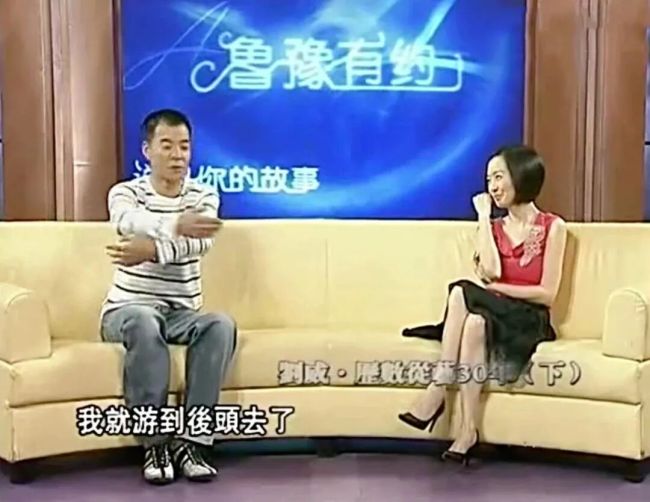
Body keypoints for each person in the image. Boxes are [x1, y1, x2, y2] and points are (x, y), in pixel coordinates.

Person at [398, 145, 567, 465]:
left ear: (521, 175)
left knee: (461, 291)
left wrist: (498, 289)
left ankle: (439, 385)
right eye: (489, 180)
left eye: (499, 177)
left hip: (528, 319)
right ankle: (467, 431)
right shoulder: (492, 228)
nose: (493, 187)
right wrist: (484, 217)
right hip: (493, 314)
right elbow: (491, 271)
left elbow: (547, 294)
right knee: (474, 322)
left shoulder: (552, 227)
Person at [100, 109, 237, 485]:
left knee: (220, 325)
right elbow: (128, 222)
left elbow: (200, 242)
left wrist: (153, 250)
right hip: (126, 310)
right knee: (145, 320)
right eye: (167, 145)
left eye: (184, 146)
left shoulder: (203, 195)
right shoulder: (127, 192)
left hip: (180, 313)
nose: (178, 155)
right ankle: (155, 443)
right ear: (147, 150)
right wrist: (175, 225)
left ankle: (193, 442)